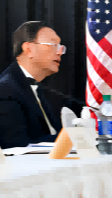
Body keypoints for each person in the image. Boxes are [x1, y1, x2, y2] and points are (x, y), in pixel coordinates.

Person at [0, 21, 67, 149]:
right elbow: (15, 146)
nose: (59, 52)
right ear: (29, 49)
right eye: (53, 45)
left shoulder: (34, 86)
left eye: (60, 47)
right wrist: (72, 136)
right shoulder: (5, 89)